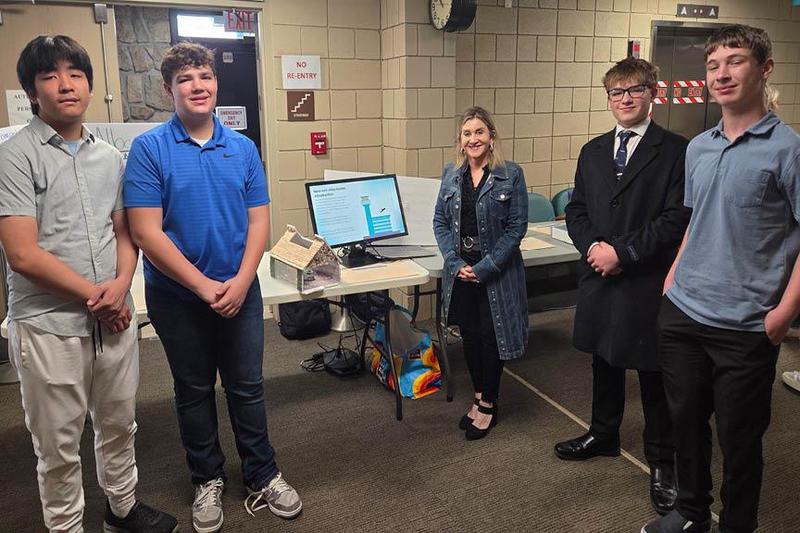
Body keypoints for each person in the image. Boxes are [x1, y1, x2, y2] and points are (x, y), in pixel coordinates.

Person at [0, 35, 176, 533]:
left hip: (114, 316)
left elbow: (123, 230)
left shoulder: (109, 156)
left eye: (75, 74)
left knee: (120, 424)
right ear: (33, 91)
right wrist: (98, 297)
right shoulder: (14, 157)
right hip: (49, 325)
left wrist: (121, 285)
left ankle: (121, 509)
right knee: (57, 445)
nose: (65, 85)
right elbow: (22, 253)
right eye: (50, 76)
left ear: (89, 84)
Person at [123, 42, 301, 532]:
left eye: (204, 77)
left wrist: (243, 282)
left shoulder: (242, 148)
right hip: (178, 298)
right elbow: (145, 232)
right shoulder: (149, 150)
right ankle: (207, 478)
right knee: (193, 390)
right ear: (168, 90)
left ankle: (263, 473)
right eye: (185, 79)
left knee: (247, 388)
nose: (197, 86)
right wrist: (204, 287)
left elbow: (259, 222)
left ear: (215, 84)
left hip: (241, 293)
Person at [643, 24, 800, 533]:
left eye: (735, 61)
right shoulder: (699, 148)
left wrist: (782, 315)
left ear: (765, 69)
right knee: (684, 423)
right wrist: (671, 278)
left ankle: (737, 525)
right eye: (713, 65)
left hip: (747, 324)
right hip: (685, 310)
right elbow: (696, 220)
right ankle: (691, 514)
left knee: (740, 440)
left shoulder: (789, 150)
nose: (721, 74)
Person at [555, 57, 690, 517]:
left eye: (634, 90)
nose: (625, 98)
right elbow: (576, 209)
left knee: (654, 375)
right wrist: (593, 246)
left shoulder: (676, 151)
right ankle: (604, 433)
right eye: (616, 92)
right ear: (608, 98)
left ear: (654, 93)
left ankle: (662, 461)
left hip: (646, 280)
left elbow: (676, 219)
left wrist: (623, 253)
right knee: (604, 361)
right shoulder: (593, 151)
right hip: (599, 276)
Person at [432, 106, 529, 440]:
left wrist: (485, 267)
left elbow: (517, 228)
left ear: (492, 137)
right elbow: (440, 222)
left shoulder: (510, 174)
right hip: (461, 273)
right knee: (470, 337)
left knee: (492, 339)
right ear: (460, 141)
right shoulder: (450, 174)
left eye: (479, 132)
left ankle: (489, 403)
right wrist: (456, 264)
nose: (473, 139)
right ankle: (477, 396)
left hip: (495, 274)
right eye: (467, 133)